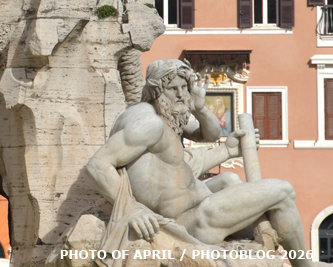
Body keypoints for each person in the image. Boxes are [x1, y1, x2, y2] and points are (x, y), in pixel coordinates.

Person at [86, 59, 314, 267]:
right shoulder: (148, 124)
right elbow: (97, 165)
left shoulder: (165, 114)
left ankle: (265, 239)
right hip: (195, 220)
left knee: (229, 179)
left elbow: (210, 134)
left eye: (183, 88)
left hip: (196, 206)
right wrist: (131, 209)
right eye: (172, 88)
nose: (179, 94)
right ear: (156, 91)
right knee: (283, 191)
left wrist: (199, 107)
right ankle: (303, 265)